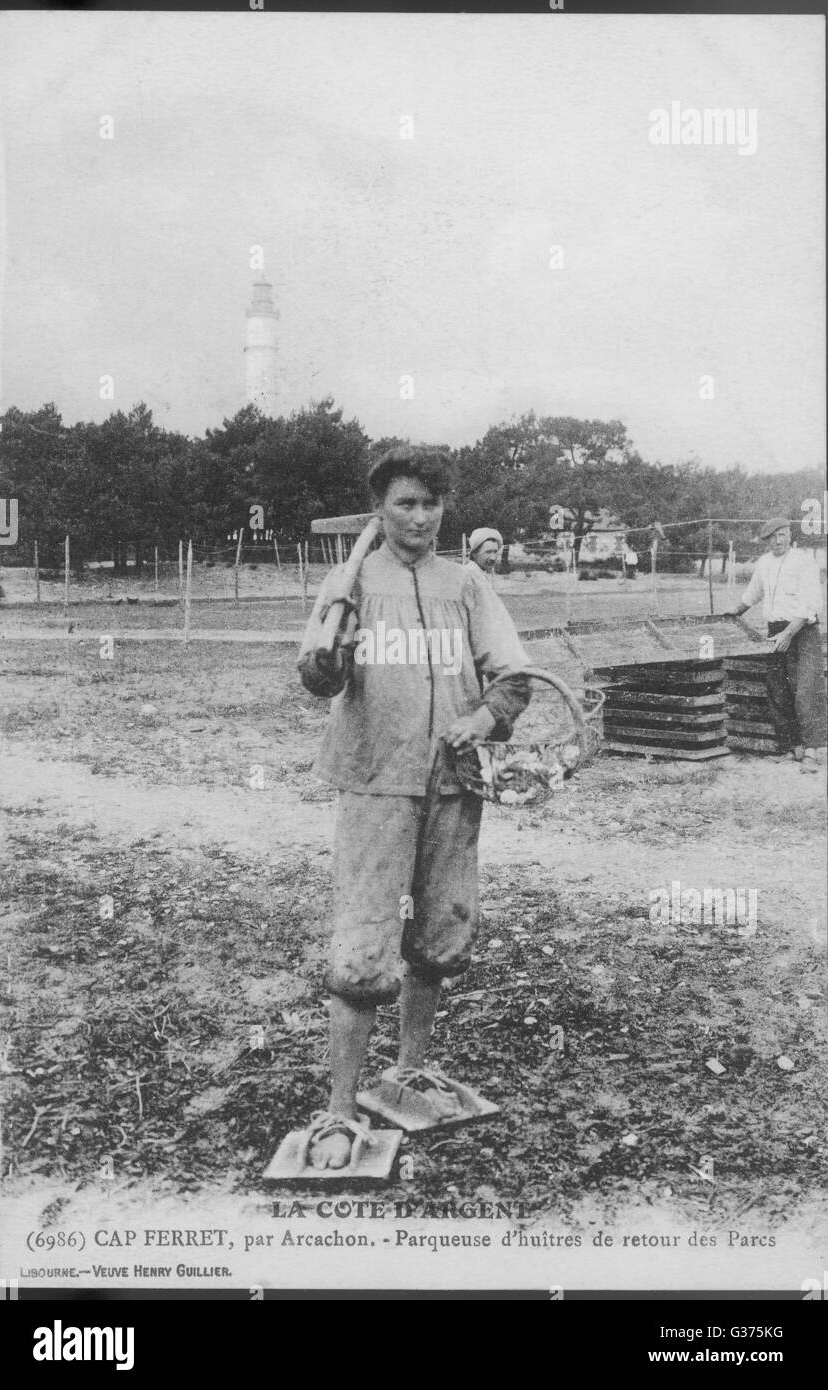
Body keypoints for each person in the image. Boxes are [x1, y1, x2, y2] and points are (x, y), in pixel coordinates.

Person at [297, 447, 531, 1169]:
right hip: (375, 780)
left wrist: (484, 720)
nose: (420, 517)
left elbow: (513, 678)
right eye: (405, 503)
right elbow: (316, 675)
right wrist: (330, 655)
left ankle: (408, 1069)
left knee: (437, 932)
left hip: (453, 783)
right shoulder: (350, 581)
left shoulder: (466, 583)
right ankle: (339, 1110)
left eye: (431, 504)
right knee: (365, 941)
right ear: (380, 508)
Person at [729, 517, 826, 771]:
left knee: (806, 690)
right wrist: (732, 614)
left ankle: (812, 752)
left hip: (802, 632)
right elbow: (753, 594)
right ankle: (792, 748)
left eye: (781, 535)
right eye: (772, 537)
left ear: (790, 535)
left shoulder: (804, 562)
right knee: (778, 691)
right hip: (774, 632)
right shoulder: (764, 563)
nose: (777, 541)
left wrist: (788, 634)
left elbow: (810, 605)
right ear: (766, 541)